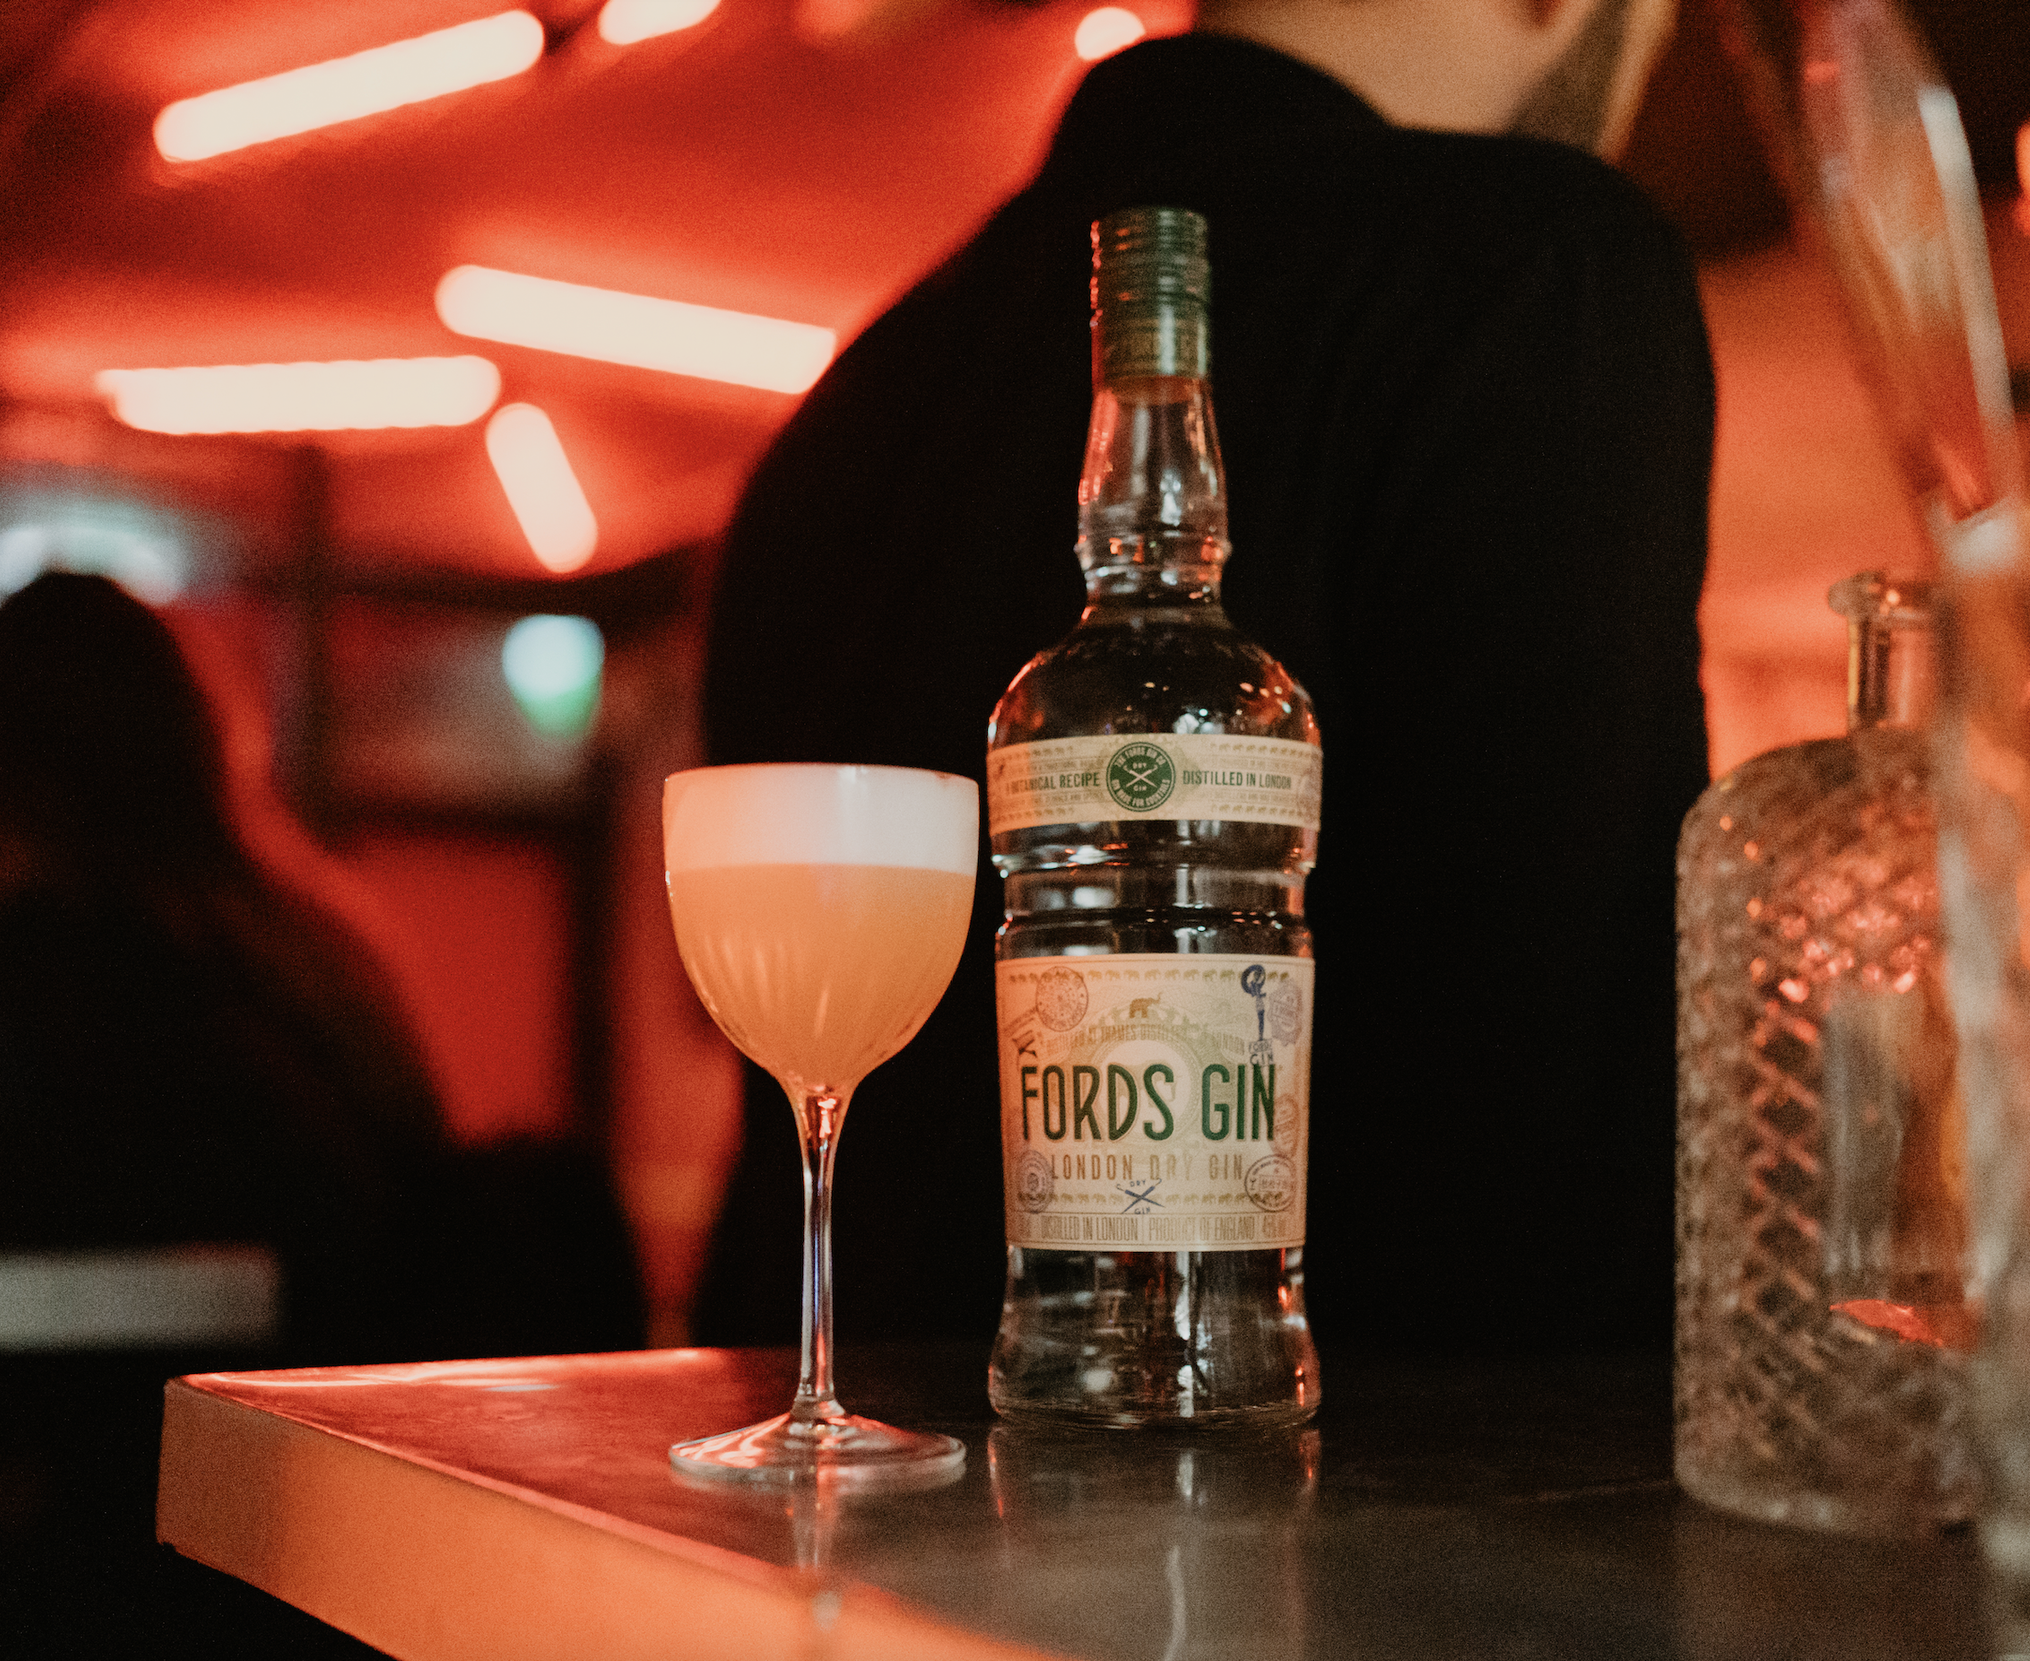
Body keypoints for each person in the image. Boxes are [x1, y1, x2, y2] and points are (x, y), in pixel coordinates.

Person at [694, 0, 1714, 1357]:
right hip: (1295, 1520)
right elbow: (1560, 1155)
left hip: (800, 1516)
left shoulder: (843, 407)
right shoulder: (1539, 266)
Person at [0, 572, 460, 1365]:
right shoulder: (320, 963)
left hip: (102, 1468)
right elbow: (352, 1217)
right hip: (345, 1455)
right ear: (197, 746)